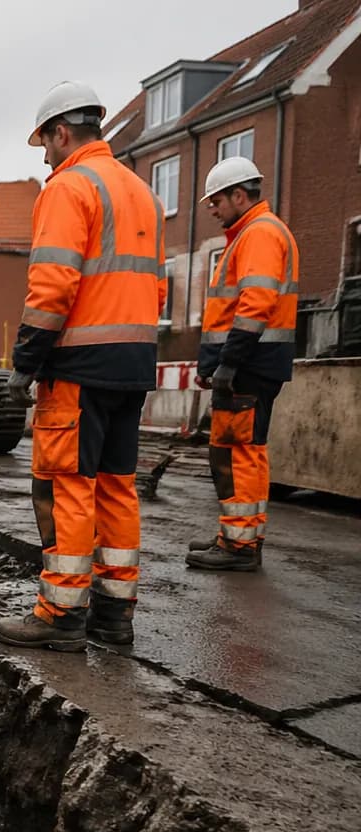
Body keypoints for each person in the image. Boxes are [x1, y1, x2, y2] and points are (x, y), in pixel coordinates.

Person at [0, 81, 166, 652]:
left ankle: (62, 613)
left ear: (62, 133)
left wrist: (26, 360)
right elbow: (152, 288)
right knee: (117, 485)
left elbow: (53, 284)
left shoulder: (70, 187)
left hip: (79, 364)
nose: (44, 156)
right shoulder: (140, 192)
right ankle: (115, 615)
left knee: (67, 483)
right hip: (133, 363)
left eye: (45, 144)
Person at [186, 156, 297, 572]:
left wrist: (229, 364)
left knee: (236, 454)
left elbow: (255, 305)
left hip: (250, 363)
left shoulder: (259, 234)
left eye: (216, 201)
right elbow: (230, 310)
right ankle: (240, 535)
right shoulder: (252, 233)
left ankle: (239, 545)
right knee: (246, 451)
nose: (212, 209)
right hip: (253, 362)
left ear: (239, 195)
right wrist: (212, 361)